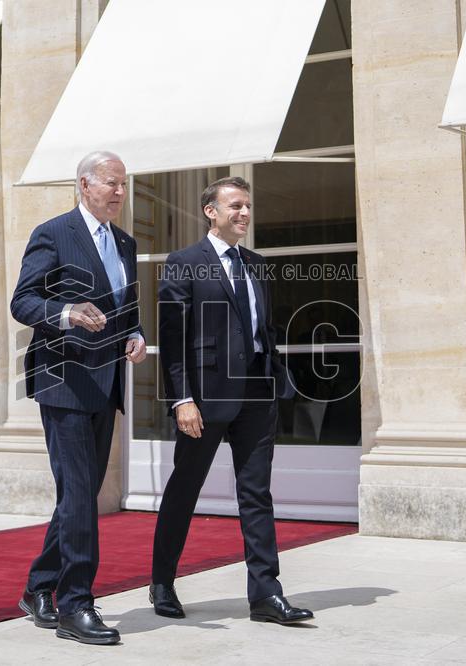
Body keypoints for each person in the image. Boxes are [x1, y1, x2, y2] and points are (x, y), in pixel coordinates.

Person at [151, 176, 314, 625]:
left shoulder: (257, 264)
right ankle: (162, 582)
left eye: (247, 206)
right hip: (205, 399)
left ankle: (265, 595)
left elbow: (263, 328)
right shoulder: (184, 263)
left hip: (258, 394)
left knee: (256, 494)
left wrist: (275, 378)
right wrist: (182, 399)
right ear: (211, 211)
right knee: (185, 489)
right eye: (235, 206)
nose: (244, 213)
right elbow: (173, 339)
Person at [10, 150, 146, 645]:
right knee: (80, 494)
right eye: (111, 183)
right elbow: (23, 301)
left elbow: (126, 307)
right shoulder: (53, 233)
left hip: (106, 384)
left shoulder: (125, 243)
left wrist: (136, 335)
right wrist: (67, 313)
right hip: (64, 381)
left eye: (124, 184)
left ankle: (38, 587)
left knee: (79, 495)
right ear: (85, 185)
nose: (120, 192)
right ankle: (75, 605)